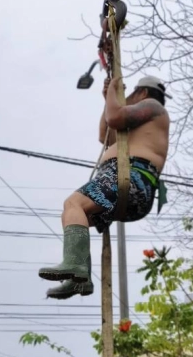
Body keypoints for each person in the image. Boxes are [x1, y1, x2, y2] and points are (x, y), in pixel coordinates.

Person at [39, 74, 170, 300]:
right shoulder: (140, 124)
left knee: (73, 203)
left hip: (130, 176)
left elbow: (115, 117)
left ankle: (75, 264)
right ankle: (80, 280)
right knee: (78, 214)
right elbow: (106, 136)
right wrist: (106, 97)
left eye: (131, 94)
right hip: (126, 183)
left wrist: (112, 93)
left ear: (143, 93)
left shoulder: (152, 105)